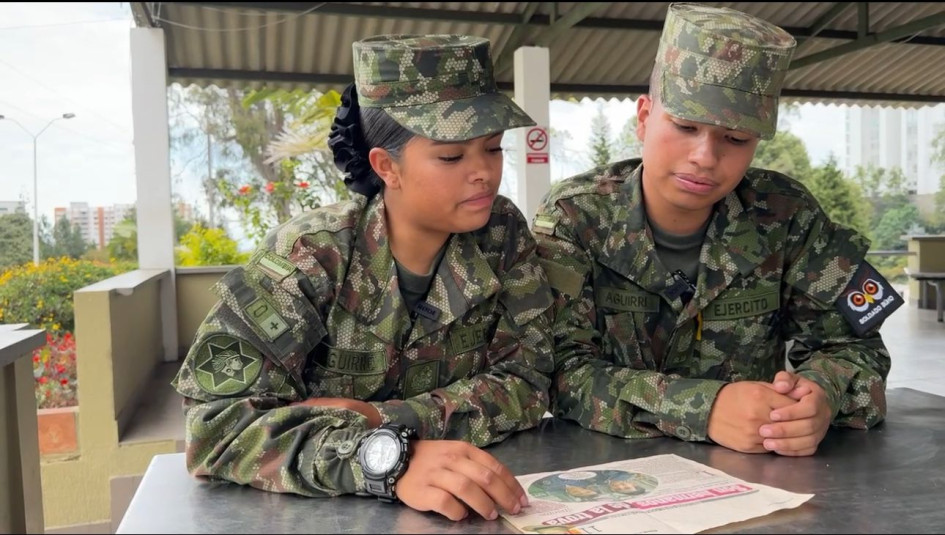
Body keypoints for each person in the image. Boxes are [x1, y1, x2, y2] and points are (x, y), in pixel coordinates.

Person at [171, 34, 555, 522]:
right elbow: (215, 431)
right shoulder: (311, 256)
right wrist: (383, 460)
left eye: (494, 148)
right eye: (452, 157)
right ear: (386, 166)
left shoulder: (500, 235)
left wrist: (381, 419)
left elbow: (531, 378)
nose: (484, 173)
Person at [532, 3, 902, 458]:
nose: (705, 157)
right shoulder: (576, 217)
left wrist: (820, 398)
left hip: (760, 470)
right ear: (644, 118)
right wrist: (702, 408)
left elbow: (854, 349)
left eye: (735, 139)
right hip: (611, 468)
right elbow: (557, 373)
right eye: (685, 127)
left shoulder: (788, 217)